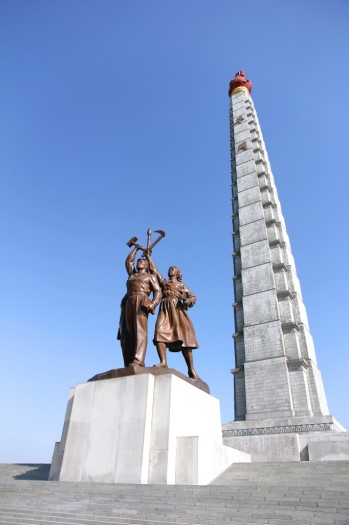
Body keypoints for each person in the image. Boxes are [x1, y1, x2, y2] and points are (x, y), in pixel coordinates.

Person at [146, 254, 199, 379]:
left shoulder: (181, 285)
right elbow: (154, 270)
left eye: (173, 269)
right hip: (164, 310)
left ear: (178, 273)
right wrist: (148, 257)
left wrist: (186, 301)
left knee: (185, 339)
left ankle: (191, 369)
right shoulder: (164, 282)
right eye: (170, 268)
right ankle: (163, 362)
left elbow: (193, 297)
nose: (171, 270)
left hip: (177, 311)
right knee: (159, 332)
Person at [117, 245, 161, 367]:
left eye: (142, 261)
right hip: (128, 301)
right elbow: (128, 261)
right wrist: (136, 248)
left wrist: (153, 303)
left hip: (141, 301)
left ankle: (138, 360)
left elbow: (158, 291)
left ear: (147, 265)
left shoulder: (150, 277)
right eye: (139, 261)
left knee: (140, 331)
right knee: (125, 335)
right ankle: (128, 362)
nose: (140, 262)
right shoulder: (132, 275)